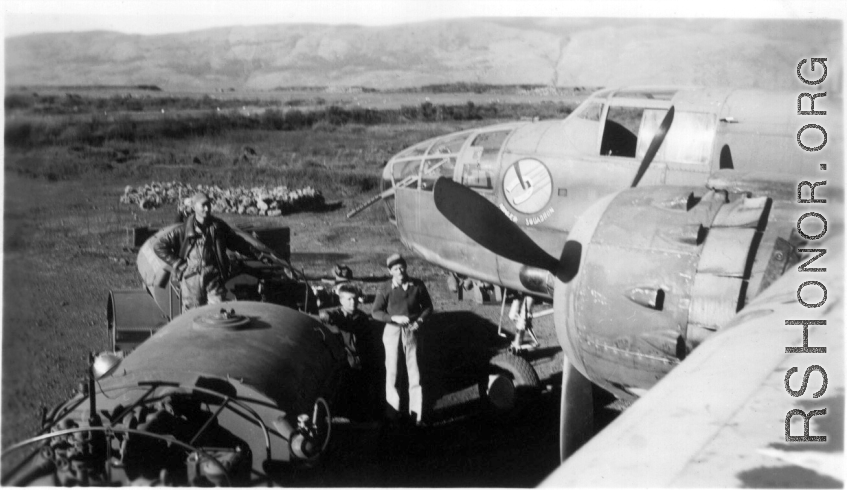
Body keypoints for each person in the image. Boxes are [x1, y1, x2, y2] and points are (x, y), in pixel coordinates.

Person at [154, 192, 259, 310]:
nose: (207, 208)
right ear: (194, 207)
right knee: (192, 314)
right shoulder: (183, 230)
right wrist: (178, 263)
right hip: (191, 277)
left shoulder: (219, 227)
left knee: (218, 312)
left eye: (209, 204)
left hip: (214, 276)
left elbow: (238, 243)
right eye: (203, 205)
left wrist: (257, 254)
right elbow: (159, 246)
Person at [371, 253, 433, 424]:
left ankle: (417, 415)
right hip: (392, 331)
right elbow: (375, 312)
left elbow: (428, 307)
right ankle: (392, 415)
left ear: (406, 267)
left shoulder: (417, 285)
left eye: (402, 267)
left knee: (415, 373)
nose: (400, 271)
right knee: (392, 372)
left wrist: (419, 321)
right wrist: (393, 319)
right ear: (390, 271)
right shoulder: (385, 288)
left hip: (412, 331)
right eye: (395, 268)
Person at [320, 283, 379, 420]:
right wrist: (329, 317)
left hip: (361, 359)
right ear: (341, 300)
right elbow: (324, 315)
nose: (353, 302)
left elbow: (369, 341)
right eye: (349, 299)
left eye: (355, 299)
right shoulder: (336, 315)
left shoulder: (362, 317)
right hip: (343, 360)